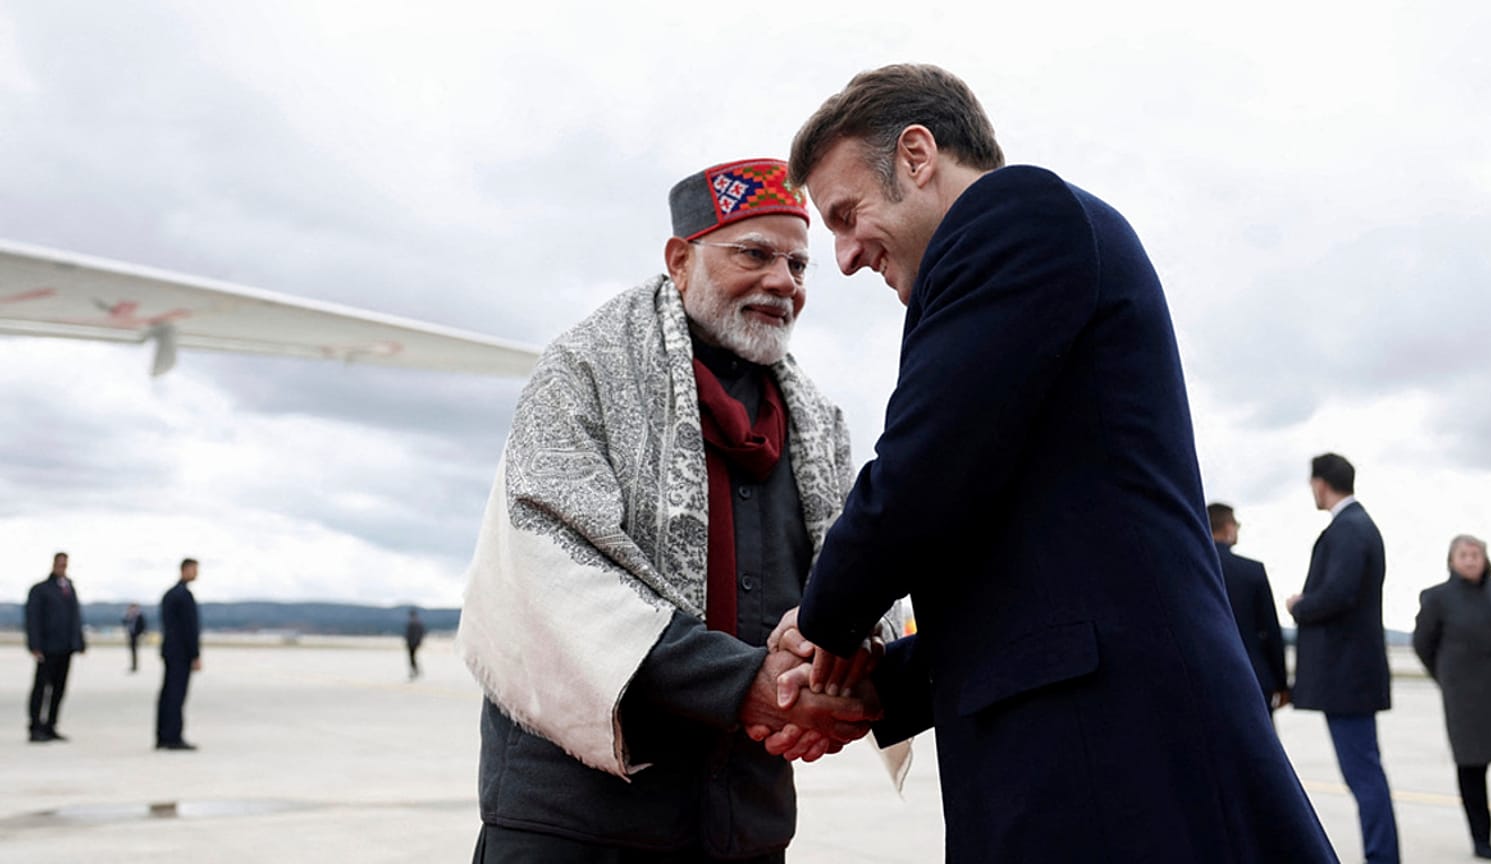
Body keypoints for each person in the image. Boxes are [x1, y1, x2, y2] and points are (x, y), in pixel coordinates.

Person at [768, 64, 1336, 862]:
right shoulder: (1011, 262)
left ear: (919, 155)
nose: (847, 256)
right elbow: (1031, 577)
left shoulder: (1014, 216)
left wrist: (821, 624)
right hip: (1085, 743)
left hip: (1115, 749)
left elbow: (925, 466)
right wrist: (872, 686)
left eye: (846, 213)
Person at [456, 157, 891, 864]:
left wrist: (831, 673)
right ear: (680, 260)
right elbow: (555, 578)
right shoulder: (582, 376)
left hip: (742, 819)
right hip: (580, 821)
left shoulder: (818, 421)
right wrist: (749, 686)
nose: (783, 282)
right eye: (755, 254)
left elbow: (851, 574)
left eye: (799, 265)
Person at [1287, 453, 1398, 863]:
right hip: (1353, 674)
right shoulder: (1356, 526)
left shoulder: (1348, 529)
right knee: (1365, 773)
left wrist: (1300, 605)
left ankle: (1382, 857)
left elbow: (1340, 593)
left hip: (1347, 675)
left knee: (1364, 775)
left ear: (1321, 483)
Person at [1413, 534, 1491, 860]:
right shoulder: (1437, 597)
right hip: (1467, 699)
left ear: (1485, 558)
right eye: (1463, 554)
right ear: (1452, 560)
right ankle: (1482, 841)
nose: (1470, 559)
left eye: (1476, 554)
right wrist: (1448, 678)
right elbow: (1423, 645)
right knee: (1472, 770)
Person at [1208, 502, 1289, 714]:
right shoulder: (1252, 571)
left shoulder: (1187, 571)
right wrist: (1281, 682)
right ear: (1228, 527)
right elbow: (1271, 631)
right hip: (1253, 676)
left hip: (1206, 678)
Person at [25, 551, 85, 743]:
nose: (62, 567)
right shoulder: (40, 590)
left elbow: (75, 617)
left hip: (65, 647)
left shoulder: (69, 588)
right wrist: (35, 645)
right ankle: (35, 726)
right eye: (60, 564)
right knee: (41, 688)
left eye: (65, 564)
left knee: (59, 689)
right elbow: (32, 619)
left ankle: (50, 725)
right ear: (53, 564)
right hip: (47, 648)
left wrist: (79, 641)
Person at [156, 558, 201, 751]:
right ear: (185, 569)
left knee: (167, 694)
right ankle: (173, 736)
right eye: (194, 570)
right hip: (180, 652)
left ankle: (163, 735)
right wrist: (195, 654)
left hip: (170, 650)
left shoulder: (170, 594)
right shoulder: (183, 596)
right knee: (176, 695)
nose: (196, 574)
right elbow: (189, 629)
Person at [123, 602, 147, 673]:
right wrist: (129, 616)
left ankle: (135, 666)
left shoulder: (140, 616)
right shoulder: (129, 616)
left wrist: (143, 634)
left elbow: (143, 625)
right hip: (131, 634)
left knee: (135, 651)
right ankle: (133, 665)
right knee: (132, 650)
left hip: (137, 635)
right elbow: (124, 622)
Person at [404, 608, 425, 680]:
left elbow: (408, 635)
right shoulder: (419, 623)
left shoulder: (412, 623)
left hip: (412, 643)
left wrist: (408, 642)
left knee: (412, 657)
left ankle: (414, 670)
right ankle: (416, 670)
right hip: (415, 643)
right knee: (413, 657)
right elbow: (421, 634)